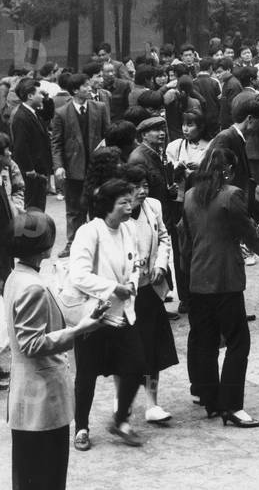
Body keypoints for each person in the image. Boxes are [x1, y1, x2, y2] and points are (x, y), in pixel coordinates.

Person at [4, 210, 111, 490]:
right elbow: (32, 344)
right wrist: (79, 330)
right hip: (42, 401)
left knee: (28, 477)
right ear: (46, 246)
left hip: (27, 400)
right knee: (47, 477)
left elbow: (45, 319)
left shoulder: (18, 277)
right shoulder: (33, 287)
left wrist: (84, 316)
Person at [182, 147, 259, 426]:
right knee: (239, 342)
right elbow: (248, 233)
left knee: (205, 342)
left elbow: (186, 238)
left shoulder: (190, 196)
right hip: (226, 278)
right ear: (227, 170)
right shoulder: (231, 195)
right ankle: (232, 406)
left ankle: (210, 399)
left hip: (198, 277)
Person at [68, 178, 146, 450]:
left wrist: (132, 283)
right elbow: (78, 275)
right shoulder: (90, 232)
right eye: (123, 202)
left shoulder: (129, 229)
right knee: (87, 374)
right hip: (94, 315)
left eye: (130, 200)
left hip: (124, 313)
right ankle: (81, 427)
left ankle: (121, 420)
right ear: (107, 206)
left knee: (136, 366)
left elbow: (135, 263)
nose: (129, 206)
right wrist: (114, 288)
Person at [123, 163, 177, 424]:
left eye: (145, 185)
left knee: (153, 347)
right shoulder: (116, 211)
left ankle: (152, 403)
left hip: (150, 289)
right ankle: (122, 401)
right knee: (126, 348)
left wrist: (160, 265)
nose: (142, 191)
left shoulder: (154, 206)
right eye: (137, 187)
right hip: (127, 292)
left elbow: (164, 237)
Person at [52, 74, 111, 257]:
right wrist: (58, 166)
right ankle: (73, 243)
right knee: (74, 208)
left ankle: (100, 242)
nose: (89, 87)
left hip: (97, 167)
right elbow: (56, 143)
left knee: (98, 205)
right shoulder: (62, 113)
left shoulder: (99, 108)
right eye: (85, 85)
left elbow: (107, 135)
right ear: (75, 90)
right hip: (73, 168)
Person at [10, 78, 52, 211]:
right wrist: (29, 169)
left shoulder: (32, 112)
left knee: (38, 206)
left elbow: (49, 114)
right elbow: (20, 146)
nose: (42, 96)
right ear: (30, 96)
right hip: (32, 172)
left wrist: (46, 98)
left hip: (39, 169)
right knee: (33, 208)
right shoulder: (21, 117)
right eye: (39, 93)